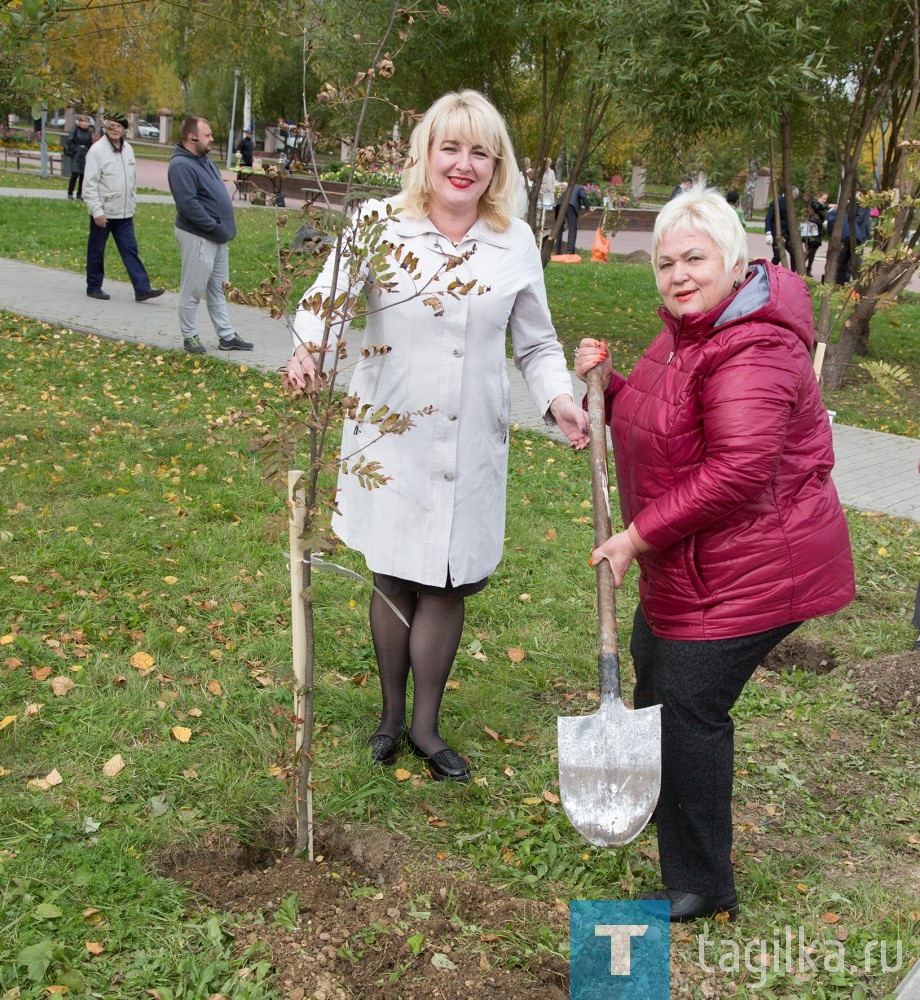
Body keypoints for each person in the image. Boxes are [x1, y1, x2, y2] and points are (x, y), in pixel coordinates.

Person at [284, 90, 590, 782]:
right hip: (390, 434)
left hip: (470, 440)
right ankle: (389, 717)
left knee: (450, 580)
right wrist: (309, 349)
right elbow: (325, 302)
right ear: (425, 153)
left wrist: (560, 399)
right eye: (450, 147)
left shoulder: (513, 241)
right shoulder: (379, 223)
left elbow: (537, 345)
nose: (464, 163)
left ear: (497, 164)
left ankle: (426, 727)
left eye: (480, 151)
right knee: (393, 570)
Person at [573, 184, 855, 922]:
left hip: (759, 565)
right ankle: (679, 846)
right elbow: (667, 422)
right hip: (700, 563)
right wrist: (612, 386)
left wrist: (635, 537)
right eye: (665, 262)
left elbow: (736, 471)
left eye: (694, 258)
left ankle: (702, 884)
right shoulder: (690, 332)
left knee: (686, 705)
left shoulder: (755, 344)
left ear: (734, 260)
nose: (678, 275)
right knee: (653, 668)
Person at [167, 116, 252, 354]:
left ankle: (226, 336)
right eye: (207, 134)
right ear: (192, 137)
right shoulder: (181, 166)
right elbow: (189, 206)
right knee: (193, 289)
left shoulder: (203, 160)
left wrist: (222, 228)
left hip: (217, 236)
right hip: (199, 236)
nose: (212, 138)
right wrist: (214, 227)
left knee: (218, 288)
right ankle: (190, 336)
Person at [82, 112, 164, 303]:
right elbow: (89, 185)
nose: (115, 129)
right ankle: (93, 287)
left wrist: (132, 204)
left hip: (124, 213)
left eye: (118, 126)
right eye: (111, 126)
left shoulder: (128, 149)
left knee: (130, 250)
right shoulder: (97, 151)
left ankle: (142, 289)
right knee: (97, 251)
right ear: (105, 127)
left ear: (123, 128)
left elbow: (131, 181)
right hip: (104, 212)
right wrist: (96, 211)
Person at [826, 189, 871, 285]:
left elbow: (858, 219)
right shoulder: (852, 202)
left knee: (854, 261)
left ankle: (853, 283)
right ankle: (843, 282)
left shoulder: (861, 202)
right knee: (845, 260)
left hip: (857, 235)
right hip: (852, 235)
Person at [764, 186, 799, 266]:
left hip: (787, 234)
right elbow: (769, 217)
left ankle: (793, 273)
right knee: (778, 256)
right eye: (794, 197)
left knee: (794, 253)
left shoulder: (790, 204)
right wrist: (768, 233)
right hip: (777, 233)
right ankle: (771, 269)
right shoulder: (777, 202)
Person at [554, 182, 592, 254]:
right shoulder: (580, 188)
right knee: (572, 229)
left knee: (559, 228)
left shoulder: (568, 189)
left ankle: (558, 251)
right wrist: (588, 208)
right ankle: (570, 252)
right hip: (570, 205)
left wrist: (564, 223)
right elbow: (583, 196)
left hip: (559, 205)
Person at [64, 114, 93, 201]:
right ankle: (70, 193)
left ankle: (79, 193)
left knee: (83, 175)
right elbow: (69, 140)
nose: (84, 123)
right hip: (77, 154)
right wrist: (75, 149)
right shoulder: (75, 129)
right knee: (74, 174)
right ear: (79, 122)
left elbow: (90, 143)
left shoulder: (88, 132)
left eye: (86, 122)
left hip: (85, 154)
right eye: (83, 121)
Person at [802, 191, 830, 278]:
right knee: (809, 248)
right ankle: (800, 265)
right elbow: (817, 208)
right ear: (819, 197)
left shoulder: (821, 206)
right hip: (811, 226)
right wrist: (827, 206)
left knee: (814, 250)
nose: (825, 200)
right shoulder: (814, 202)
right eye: (823, 198)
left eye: (826, 199)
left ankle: (809, 268)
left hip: (817, 228)